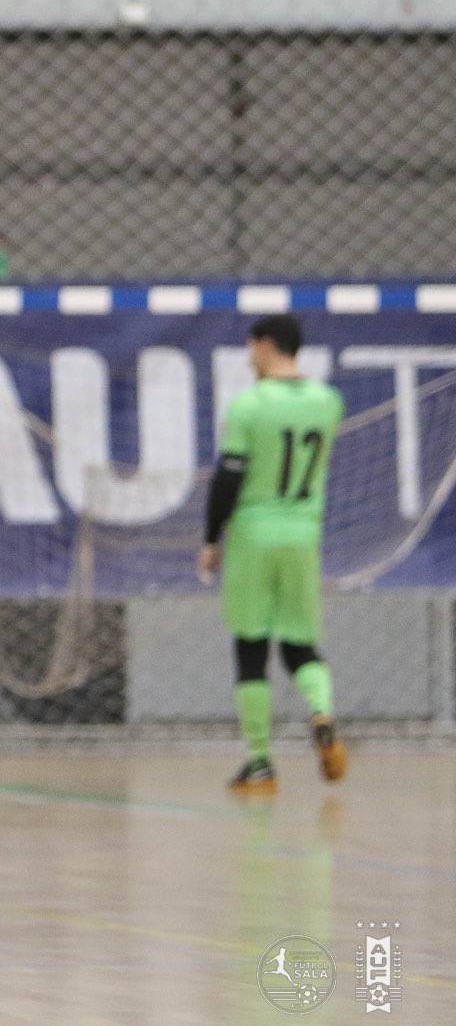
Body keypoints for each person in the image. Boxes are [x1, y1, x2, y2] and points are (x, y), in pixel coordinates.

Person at [197, 314, 348, 794]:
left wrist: (210, 538)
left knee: (251, 646)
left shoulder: (250, 406)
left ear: (265, 346)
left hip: (254, 537)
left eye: (251, 347)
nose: (248, 357)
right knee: (300, 643)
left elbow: (228, 480)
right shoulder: (328, 403)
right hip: (303, 534)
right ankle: (321, 710)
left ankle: (260, 761)